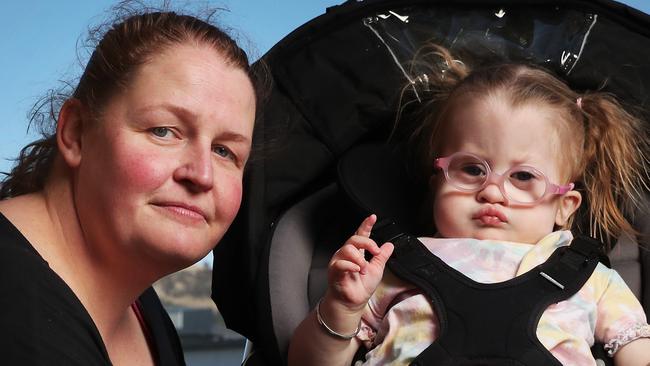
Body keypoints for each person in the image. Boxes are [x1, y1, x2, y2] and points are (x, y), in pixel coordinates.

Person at [288, 46, 650, 365]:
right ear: (437, 184)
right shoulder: (390, 265)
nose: (493, 191)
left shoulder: (591, 279)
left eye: (523, 177)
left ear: (564, 206)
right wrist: (342, 308)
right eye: (472, 169)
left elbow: (637, 350)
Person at [0, 6, 259, 366]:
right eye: (163, 131)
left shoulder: (138, 302)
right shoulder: (20, 324)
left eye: (224, 151)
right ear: (76, 132)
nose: (201, 174)